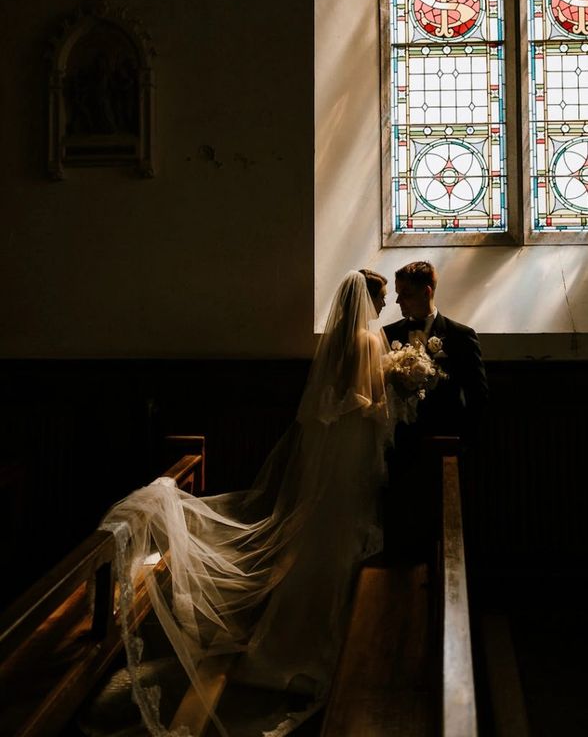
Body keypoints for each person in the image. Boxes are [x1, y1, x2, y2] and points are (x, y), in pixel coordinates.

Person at [93, 269, 393, 737]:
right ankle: (326, 628)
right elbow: (371, 403)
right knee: (342, 530)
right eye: (384, 295)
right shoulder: (370, 343)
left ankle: (289, 622)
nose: (387, 301)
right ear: (370, 299)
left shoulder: (334, 341)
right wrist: (404, 394)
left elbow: (325, 401)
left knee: (320, 527)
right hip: (352, 449)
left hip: (328, 450)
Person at [382, 260, 488, 561]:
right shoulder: (388, 335)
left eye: (406, 293)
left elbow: (478, 396)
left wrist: (463, 444)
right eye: (398, 293)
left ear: (427, 291)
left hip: (445, 449)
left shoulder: (460, 336)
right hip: (400, 449)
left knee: (443, 529)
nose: (398, 301)